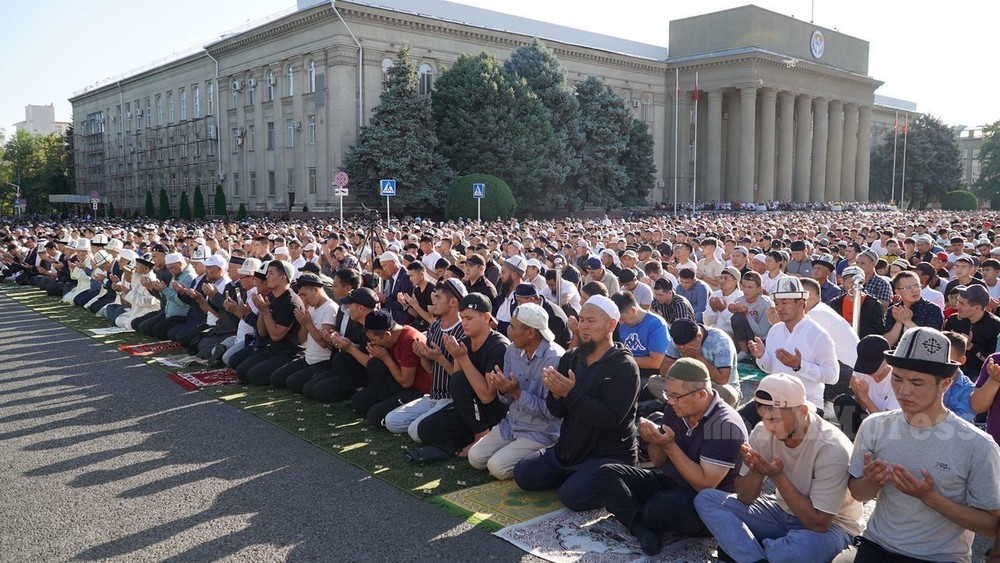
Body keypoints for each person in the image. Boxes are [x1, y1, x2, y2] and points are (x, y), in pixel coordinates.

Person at [848, 326, 1000, 563]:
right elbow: (857, 493)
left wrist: (930, 498)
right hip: (876, 545)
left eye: (917, 382)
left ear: (945, 384)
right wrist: (870, 481)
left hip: (939, 557)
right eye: (897, 378)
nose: (904, 390)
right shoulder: (874, 426)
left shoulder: (977, 445)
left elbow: (991, 526)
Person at [695, 374, 863, 563]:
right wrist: (757, 472)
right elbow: (745, 498)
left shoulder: (831, 447)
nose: (769, 426)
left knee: (796, 551)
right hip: (782, 511)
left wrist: (777, 476)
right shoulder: (762, 432)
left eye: (775, 419)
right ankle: (758, 558)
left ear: (803, 411)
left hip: (833, 526)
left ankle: (747, 552)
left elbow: (819, 523)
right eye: (763, 418)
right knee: (707, 499)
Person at [596, 358, 748, 556]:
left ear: (702, 395)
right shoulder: (675, 409)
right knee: (607, 474)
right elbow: (659, 462)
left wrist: (669, 444)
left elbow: (705, 485)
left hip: (707, 504)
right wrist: (653, 440)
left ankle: (639, 517)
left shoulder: (725, 426)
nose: (670, 401)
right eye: (669, 394)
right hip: (672, 483)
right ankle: (641, 527)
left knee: (665, 505)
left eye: (676, 396)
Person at [513, 295, 640, 511]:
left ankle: (617, 480)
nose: (583, 327)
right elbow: (557, 412)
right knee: (524, 474)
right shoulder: (571, 358)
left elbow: (609, 419)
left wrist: (571, 394)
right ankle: (575, 476)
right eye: (581, 320)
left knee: (573, 496)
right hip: (569, 450)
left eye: (591, 321)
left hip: (607, 454)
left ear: (611, 324)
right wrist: (556, 395)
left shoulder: (624, 366)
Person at [471, 303, 565, 479]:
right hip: (513, 423)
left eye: (513, 327)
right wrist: (502, 389)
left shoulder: (555, 359)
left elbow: (553, 413)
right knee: (475, 458)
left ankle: (543, 457)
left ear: (530, 333)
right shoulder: (512, 350)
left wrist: (517, 393)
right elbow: (506, 400)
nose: (509, 331)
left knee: (497, 467)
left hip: (541, 432)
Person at [412, 293, 510, 458]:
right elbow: (458, 384)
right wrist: (446, 358)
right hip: (470, 409)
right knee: (424, 429)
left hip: (494, 413)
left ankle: (481, 433)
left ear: (486, 318)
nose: (464, 323)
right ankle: (464, 440)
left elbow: (487, 396)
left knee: (459, 380)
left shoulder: (499, 346)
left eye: (469, 318)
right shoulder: (464, 341)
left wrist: (462, 358)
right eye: (462, 317)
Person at [745, 277, 839, 423]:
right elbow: (771, 368)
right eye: (776, 303)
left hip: (806, 403)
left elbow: (832, 376)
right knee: (735, 422)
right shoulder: (775, 330)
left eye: (785, 303)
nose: (779, 308)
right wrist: (762, 355)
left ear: (801, 303)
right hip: (775, 400)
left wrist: (799, 366)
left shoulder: (818, 334)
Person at [385, 278, 468, 439]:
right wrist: (423, 355)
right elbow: (429, 368)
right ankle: (429, 421)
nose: (432, 300)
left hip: (452, 398)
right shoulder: (435, 326)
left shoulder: (463, 331)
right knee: (391, 421)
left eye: (438, 297)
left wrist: (439, 358)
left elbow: (462, 378)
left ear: (453, 302)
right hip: (433, 396)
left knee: (416, 432)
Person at [351, 309, 433, 427]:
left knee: (375, 416)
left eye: (374, 340)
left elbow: (406, 382)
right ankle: (388, 402)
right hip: (398, 385)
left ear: (387, 335)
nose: (372, 343)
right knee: (358, 401)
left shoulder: (409, 340)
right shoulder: (392, 338)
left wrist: (385, 358)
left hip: (418, 392)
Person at [235, 260, 305, 385]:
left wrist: (265, 311)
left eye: (271, 273)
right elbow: (262, 332)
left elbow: (276, 335)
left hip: (288, 352)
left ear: (283, 278)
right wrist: (262, 310)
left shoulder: (290, 302)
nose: (267, 277)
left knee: (255, 375)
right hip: (272, 349)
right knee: (241, 370)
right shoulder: (272, 296)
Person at [268, 273, 338, 389]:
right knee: (277, 378)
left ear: (316, 290)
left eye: (305, 295)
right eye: (301, 296)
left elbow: (324, 343)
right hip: (307, 358)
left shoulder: (330, 309)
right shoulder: (310, 307)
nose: (303, 299)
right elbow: (302, 340)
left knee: (294, 383)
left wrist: (308, 324)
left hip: (323, 361)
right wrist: (303, 324)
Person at [833, 335, 898, 440]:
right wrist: (858, 393)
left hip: (887, 429)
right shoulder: (861, 372)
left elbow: (886, 423)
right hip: (866, 422)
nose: (868, 372)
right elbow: (860, 408)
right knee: (843, 401)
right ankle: (853, 443)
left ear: (886, 360)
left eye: (872, 367)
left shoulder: (897, 380)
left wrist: (865, 397)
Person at [943, 284, 1000, 377]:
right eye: (958, 302)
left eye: (962, 304)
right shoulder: (953, 320)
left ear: (977, 307)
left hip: (980, 373)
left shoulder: (995, 326)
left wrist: (971, 346)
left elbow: (994, 361)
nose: (957, 306)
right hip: (951, 369)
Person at [884, 269, 944, 347]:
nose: (914, 290)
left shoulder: (932, 309)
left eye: (917, 286)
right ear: (897, 291)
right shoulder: (893, 310)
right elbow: (887, 344)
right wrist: (898, 323)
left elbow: (931, 341)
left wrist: (908, 322)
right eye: (908, 287)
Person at [728, 271, 773, 361]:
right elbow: (738, 324)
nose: (746, 290)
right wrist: (732, 309)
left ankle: (752, 354)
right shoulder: (739, 300)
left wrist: (747, 314)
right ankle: (744, 351)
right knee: (736, 318)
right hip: (749, 336)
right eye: (744, 286)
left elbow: (761, 332)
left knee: (757, 362)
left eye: (750, 287)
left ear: (759, 289)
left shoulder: (767, 304)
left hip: (762, 340)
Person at [703, 266, 744, 338]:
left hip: (732, 335)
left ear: (735, 281)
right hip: (714, 332)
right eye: (721, 278)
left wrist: (723, 310)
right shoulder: (715, 295)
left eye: (726, 278)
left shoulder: (741, 297)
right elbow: (707, 322)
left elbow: (738, 324)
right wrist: (713, 310)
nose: (722, 281)